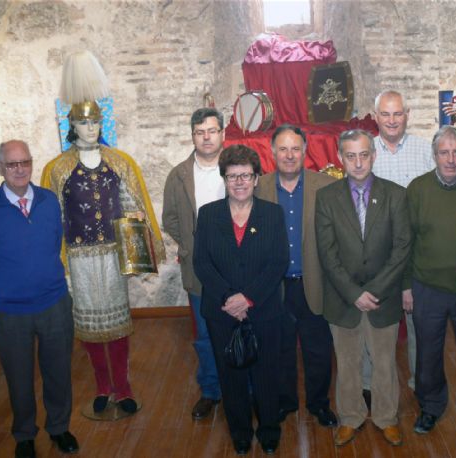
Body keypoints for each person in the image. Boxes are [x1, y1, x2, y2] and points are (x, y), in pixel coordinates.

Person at [41, 52, 165, 416]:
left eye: (95, 121)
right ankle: (102, 385)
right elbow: (55, 220)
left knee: (118, 321)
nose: (91, 128)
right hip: (79, 259)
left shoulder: (120, 162)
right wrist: (58, 262)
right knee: (89, 324)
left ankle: (123, 387)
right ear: (72, 126)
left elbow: (133, 203)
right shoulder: (57, 168)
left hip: (112, 255)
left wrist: (141, 243)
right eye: (84, 123)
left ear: (101, 123)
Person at [316, 129, 411, 447]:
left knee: (385, 362)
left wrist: (375, 290)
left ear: (374, 155)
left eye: (364, 154)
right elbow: (327, 253)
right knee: (347, 363)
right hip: (343, 299)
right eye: (350, 155)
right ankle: (350, 417)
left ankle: (386, 417)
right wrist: (354, 293)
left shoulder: (395, 195)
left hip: (382, 299)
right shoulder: (326, 197)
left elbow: (401, 249)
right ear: (341, 158)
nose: (358, 162)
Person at [193, 145, 289, 455]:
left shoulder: (272, 214)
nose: (239, 182)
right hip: (221, 311)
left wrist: (247, 298)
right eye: (232, 175)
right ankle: (240, 432)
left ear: (257, 178)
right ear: (224, 178)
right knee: (230, 375)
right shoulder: (208, 215)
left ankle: (270, 429)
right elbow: (202, 263)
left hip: (262, 309)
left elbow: (279, 262)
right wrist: (228, 298)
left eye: (246, 175)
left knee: (265, 373)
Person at [0, 140, 79, 458]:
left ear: (31, 163)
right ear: (0, 168)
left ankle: (59, 428)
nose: (20, 169)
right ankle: (24, 435)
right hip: (11, 311)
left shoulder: (48, 201)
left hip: (54, 303)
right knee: (18, 378)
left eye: (24, 162)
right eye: (12, 164)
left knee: (58, 372)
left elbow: (56, 242)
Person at [254, 124, 337, 427]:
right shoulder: (258, 187)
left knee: (319, 350)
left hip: (314, 283)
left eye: (295, 149)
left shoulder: (326, 185)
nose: (289, 155)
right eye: (283, 149)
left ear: (305, 151)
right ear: (272, 151)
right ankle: (285, 402)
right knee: (280, 348)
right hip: (274, 287)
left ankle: (319, 403)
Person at [405, 125, 456, 439]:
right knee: (428, 353)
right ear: (434, 155)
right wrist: (405, 285)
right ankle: (431, 406)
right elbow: (405, 241)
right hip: (427, 286)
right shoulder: (418, 189)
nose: (450, 159)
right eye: (444, 152)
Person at [370, 89, 435, 397]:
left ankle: (420, 384)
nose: (392, 120)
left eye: (398, 114)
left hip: (416, 256)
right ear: (375, 117)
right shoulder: (364, 151)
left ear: (407, 115)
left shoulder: (425, 151)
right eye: (386, 114)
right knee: (376, 327)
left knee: (420, 325)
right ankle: (375, 388)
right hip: (376, 257)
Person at [162, 108, 225, 420]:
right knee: (205, 334)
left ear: (222, 133)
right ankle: (211, 390)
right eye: (200, 132)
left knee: (242, 327)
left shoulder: (238, 166)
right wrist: (188, 244)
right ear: (193, 136)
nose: (206, 137)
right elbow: (170, 219)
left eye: (212, 130)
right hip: (198, 268)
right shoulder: (179, 176)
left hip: (236, 266)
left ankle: (247, 387)